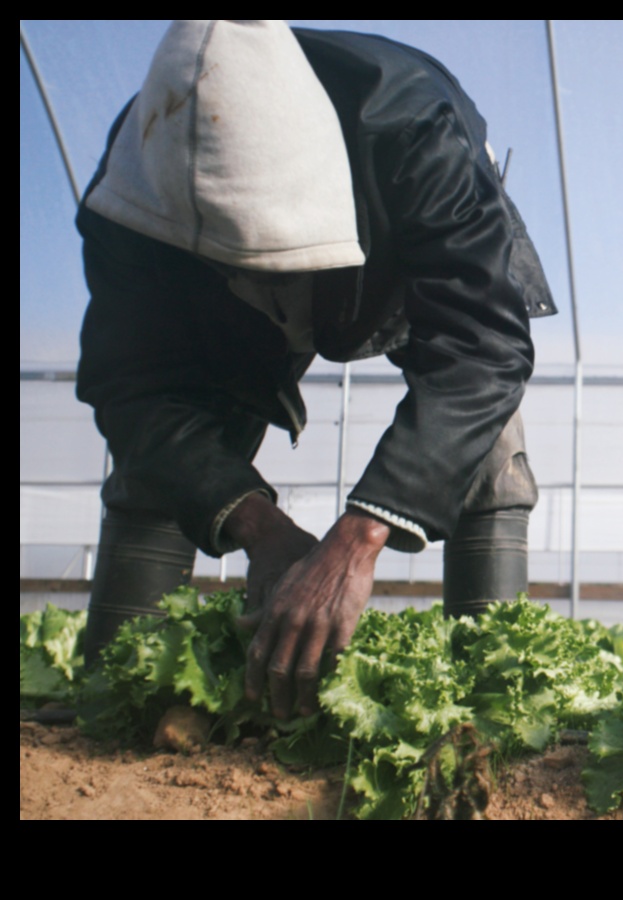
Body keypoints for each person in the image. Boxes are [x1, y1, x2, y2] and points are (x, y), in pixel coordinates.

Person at [74, 20, 556, 720]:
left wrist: (358, 538)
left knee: (490, 443)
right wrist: (259, 527)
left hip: (398, 244)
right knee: (159, 459)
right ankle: (119, 696)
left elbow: (481, 349)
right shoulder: (135, 187)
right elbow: (131, 385)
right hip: (218, 314)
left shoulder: (417, 132)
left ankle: (493, 711)